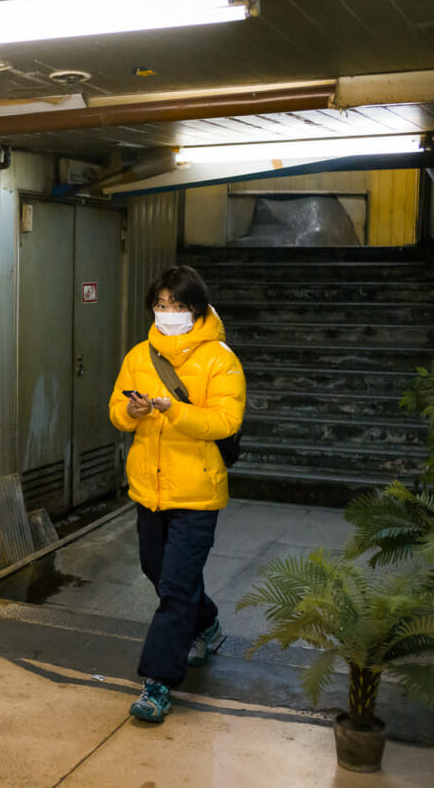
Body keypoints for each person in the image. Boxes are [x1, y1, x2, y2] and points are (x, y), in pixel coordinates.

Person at [108, 265, 245, 722]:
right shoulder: (139, 356)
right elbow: (115, 412)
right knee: (158, 570)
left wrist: (176, 411)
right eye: (161, 305)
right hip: (149, 489)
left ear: (197, 309)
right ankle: (206, 623)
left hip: (197, 495)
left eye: (178, 306)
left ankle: (157, 683)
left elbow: (225, 422)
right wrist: (131, 410)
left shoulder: (220, 359)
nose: (168, 314)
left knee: (175, 587)